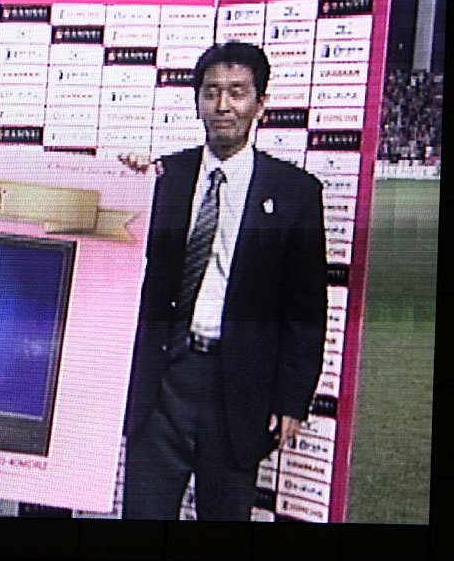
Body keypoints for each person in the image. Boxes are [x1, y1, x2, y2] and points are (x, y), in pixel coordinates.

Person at [121, 42, 327, 521]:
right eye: (211, 92)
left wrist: (292, 399)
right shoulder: (163, 177)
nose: (223, 105)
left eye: (237, 92)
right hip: (164, 381)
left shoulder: (295, 193)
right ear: (197, 101)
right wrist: (122, 185)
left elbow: (305, 312)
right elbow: (117, 257)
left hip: (239, 390)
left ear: (260, 103)